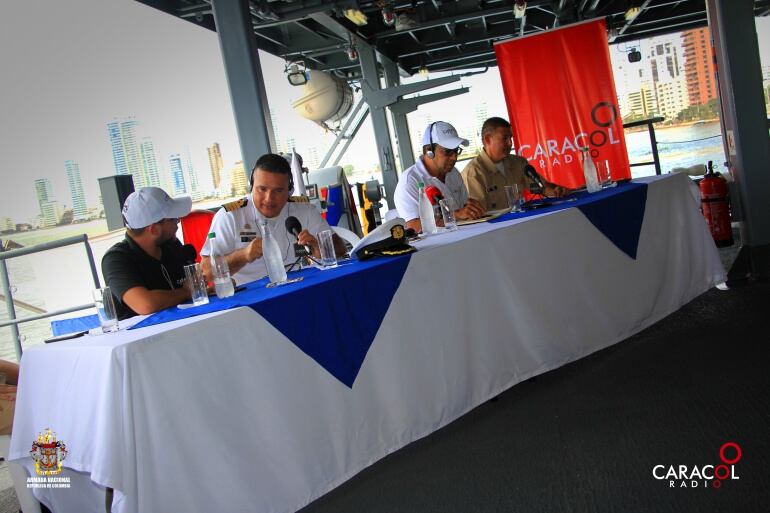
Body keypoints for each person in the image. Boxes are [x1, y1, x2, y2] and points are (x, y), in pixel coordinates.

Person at [200, 153, 346, 285]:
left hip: (296, 285)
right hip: (250, 298)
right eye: (262, 189)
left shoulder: (304, 210)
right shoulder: (229, 216)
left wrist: (319, 248)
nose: (269, 199)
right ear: (252, 186)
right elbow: (206, 272)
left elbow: (340, 250)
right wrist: (244, 255)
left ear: (289, 190)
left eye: (278, 190)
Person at [102, 187, 194, 320]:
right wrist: (187, 292)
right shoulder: (116, 260)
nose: (177, 225)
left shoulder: (171, 245)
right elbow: (145, 305)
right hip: (142, 337)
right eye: (174, 219)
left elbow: (195, 281)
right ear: (154, 229)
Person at [394, 121, 484, 233]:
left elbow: (463, 207)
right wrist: (455, 215)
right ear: (429, 151)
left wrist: (471, 209)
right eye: (448, 152)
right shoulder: (409, 181)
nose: (454, 157)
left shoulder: (453, 172)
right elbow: (413, 226)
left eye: (456, 151)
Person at [462, 117, 567, 211]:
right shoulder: (473, 173)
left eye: (510, 138)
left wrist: (556, 191)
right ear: (488, 139)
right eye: (504, 138)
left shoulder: (519, 162)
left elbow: (541, 186)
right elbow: (477, 214)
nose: (510, 143)